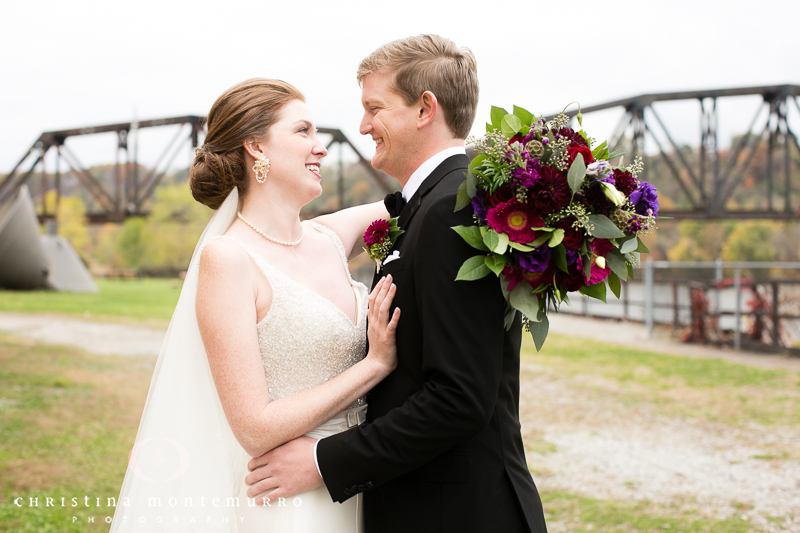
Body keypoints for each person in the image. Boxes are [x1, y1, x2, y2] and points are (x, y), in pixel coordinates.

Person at [245, 35, 549, 533]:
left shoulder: (451, 210)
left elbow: (460, 397)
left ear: (425, 109)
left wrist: (324, 460)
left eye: (374, 108)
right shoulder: (435, 202)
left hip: (455, 516)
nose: (362, 126)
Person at [110, 78, 400, 532]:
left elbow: (420, 197)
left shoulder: (328, 238)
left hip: (364, 486)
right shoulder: (228, 259)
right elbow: (255, 427)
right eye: (303, 131)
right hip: (292, 503)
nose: (321, 148)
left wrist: (529, 171)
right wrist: (375, 365)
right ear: (256, 148)